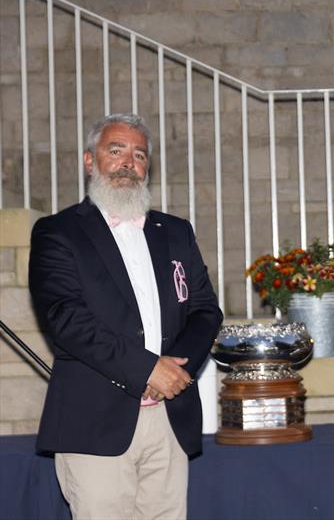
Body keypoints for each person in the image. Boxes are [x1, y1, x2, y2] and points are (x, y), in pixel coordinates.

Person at [28, 113, 224, 519]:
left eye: (139, 154)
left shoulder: (175, 231)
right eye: (115, 150)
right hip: (95, 421)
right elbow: (65, 319)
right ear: (89, 161)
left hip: (169, 419)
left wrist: (175, 371)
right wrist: (147, 369)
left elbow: (205, 309)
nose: (127, 162)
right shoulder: (58, 232)